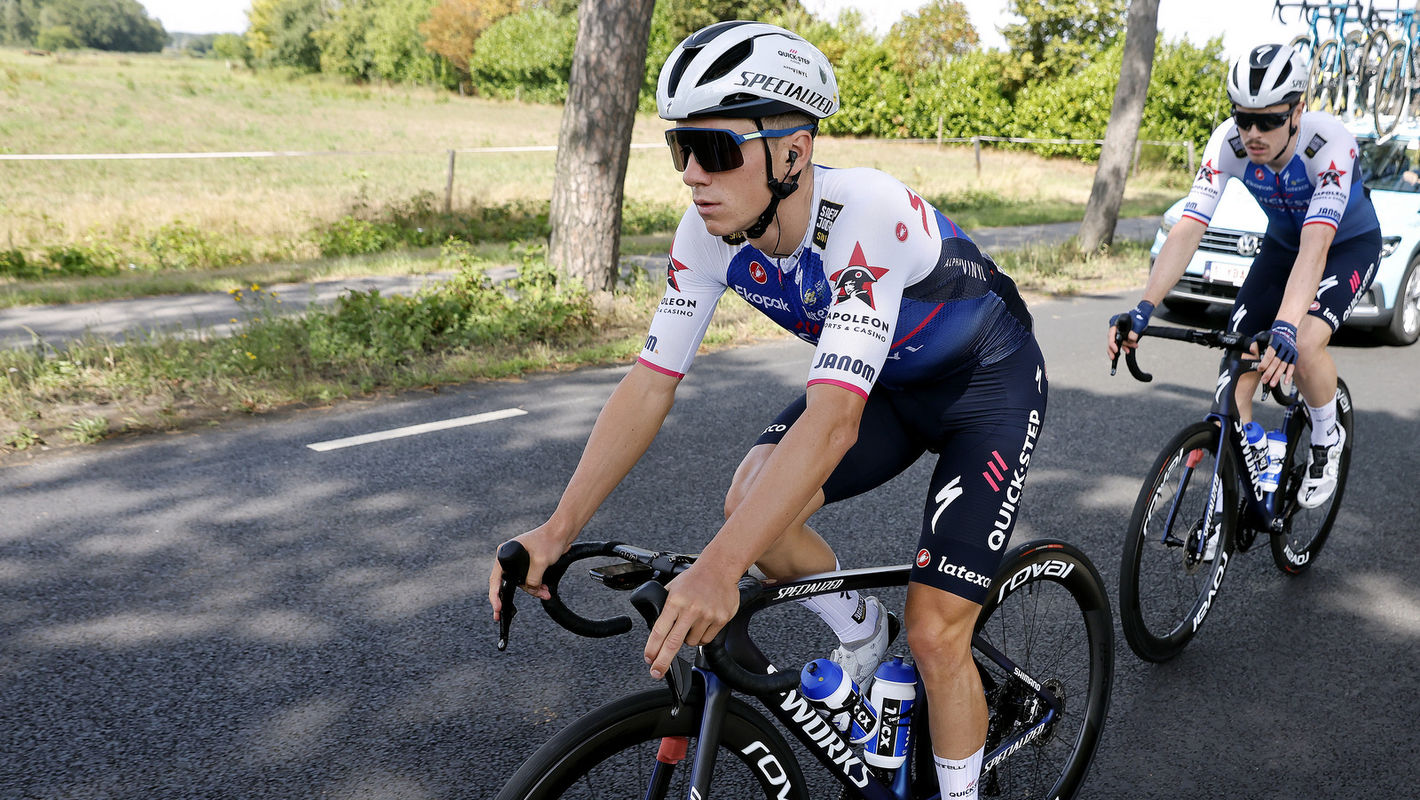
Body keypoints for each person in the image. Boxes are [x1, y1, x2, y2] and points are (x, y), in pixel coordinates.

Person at [489, 21, 1046, 800]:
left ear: (793, 150)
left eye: (714, 149)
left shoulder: (865, 216)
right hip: (887, 380)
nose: (691, 174)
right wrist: (556, 530)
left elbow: (832, 423)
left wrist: (720, 570)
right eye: (679, 146)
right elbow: (650, 383)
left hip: (985, 384)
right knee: (751, 501)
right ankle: (861, 633)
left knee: (935, 630)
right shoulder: (708, 233)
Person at [1107, 42, 1380, 508]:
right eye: (1243, 117)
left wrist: (1288, 328)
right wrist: (1143, 307)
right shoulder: (1227, 143)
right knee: (1237, 365)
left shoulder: (1329, 145)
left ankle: (1326, 436)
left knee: (1306, 342)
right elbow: (1188, 228)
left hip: (1344, 247)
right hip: (1281, 247)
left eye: (1269, 120)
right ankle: (1238, 478)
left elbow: (1315, 251)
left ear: (1298, 110)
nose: (1253, 132)